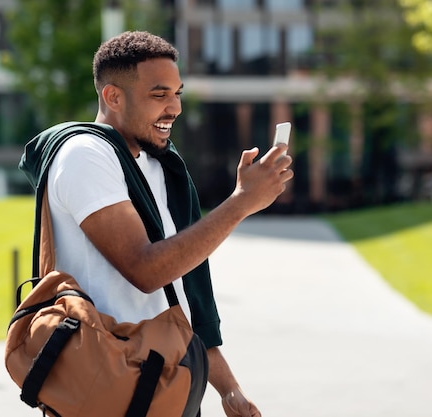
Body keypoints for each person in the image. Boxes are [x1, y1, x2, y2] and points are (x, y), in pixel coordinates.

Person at [20, 31, 293, 417]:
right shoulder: (85, 156)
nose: (175, 108)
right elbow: (146, 269)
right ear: (113, 97)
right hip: (110, 387)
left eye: (178, 93)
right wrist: (242, 203)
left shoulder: (155, 165)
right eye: (159, 95)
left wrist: (228, 388)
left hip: (162, 385)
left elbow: (180, 291)